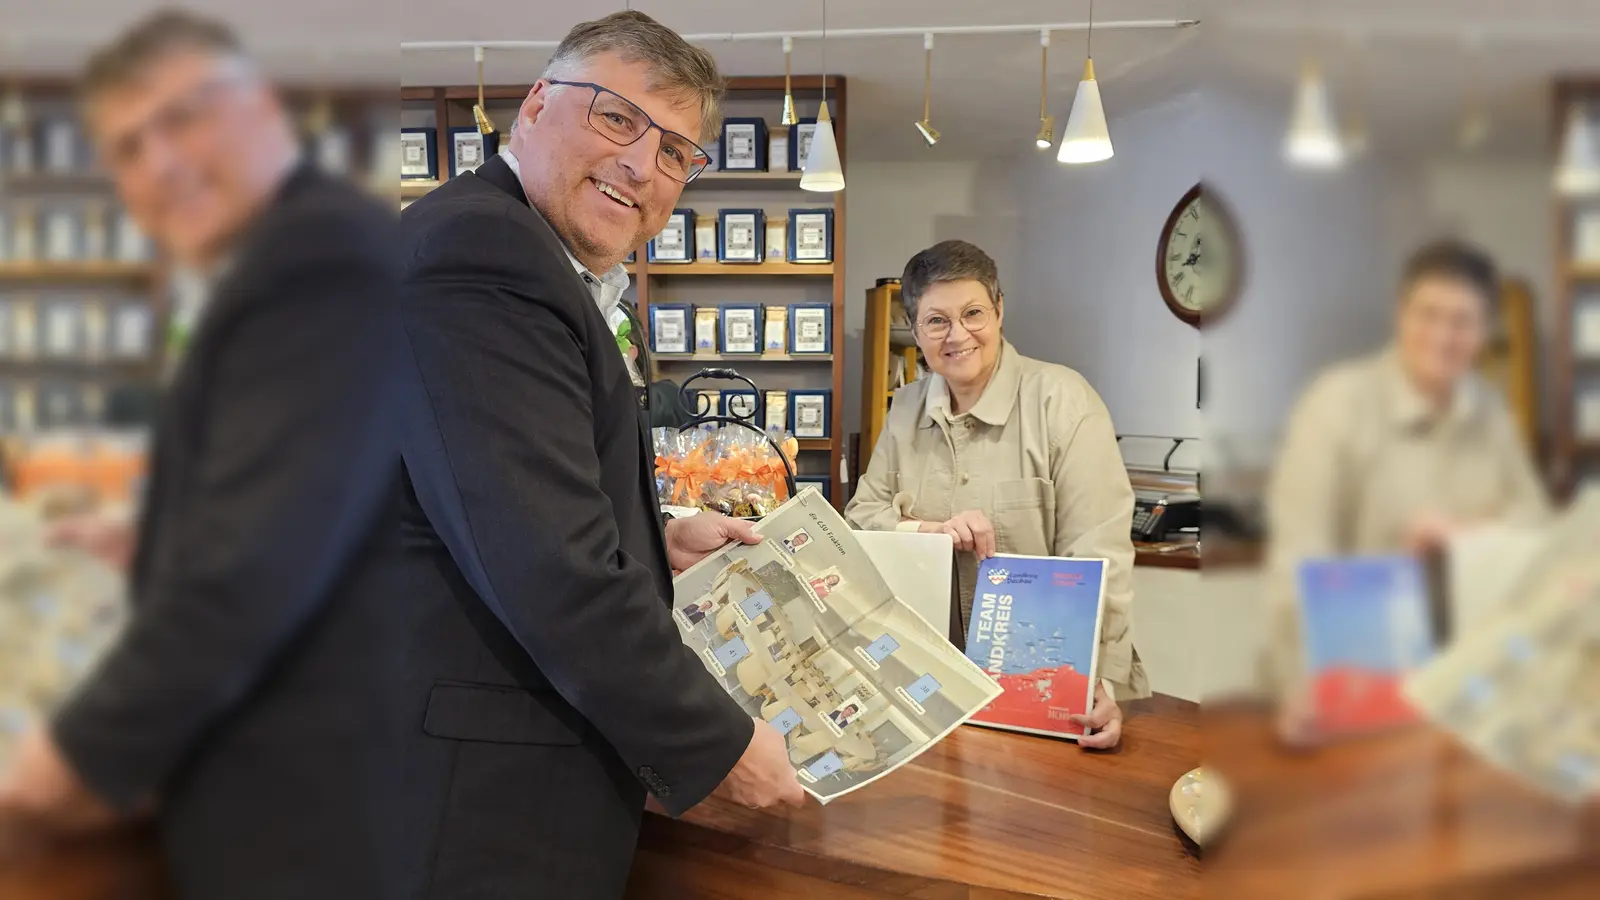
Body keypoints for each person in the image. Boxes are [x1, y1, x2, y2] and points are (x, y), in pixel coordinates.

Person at [396, 11, 804, 898]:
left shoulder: (523, 255)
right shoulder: (488, 251)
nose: (642, 165)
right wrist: (719, 745)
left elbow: (494, 495)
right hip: (475, 814)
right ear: (536, 104)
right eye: (620, 119)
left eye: (675, 153)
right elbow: (549, 566)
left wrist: (656, 536)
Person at [0, 11, 406, 900]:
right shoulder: (290, 253)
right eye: (129, 147)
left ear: (261, 107)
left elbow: (251, 567)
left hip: (304, 815)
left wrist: (64, 763)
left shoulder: (314, 258)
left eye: (181, 118)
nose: (160, 165)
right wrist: (153, 540)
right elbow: (306, 507)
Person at [846, 240, 1149, 749]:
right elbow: (860, 518)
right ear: (916, 331)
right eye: (937, 321)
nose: (958, 335)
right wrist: (929, 531)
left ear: (1000, 309)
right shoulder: (905, 409)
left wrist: (1098, 681)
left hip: (1048, 688)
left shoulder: (1064, 402)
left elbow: (1101, 557)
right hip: (934, 689)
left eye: (973, 314)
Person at [1265, 239, 1550, 743]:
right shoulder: (1337, 402)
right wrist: (1301, 684)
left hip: (1466, 692)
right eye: (1429, 314)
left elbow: (1538, 534)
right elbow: (1298, 555)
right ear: (1401, 314)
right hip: (1349, 680)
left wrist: (1463, 537)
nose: (1442, 335)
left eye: (1462, 321)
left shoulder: (1492, 414)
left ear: (1485, 330)